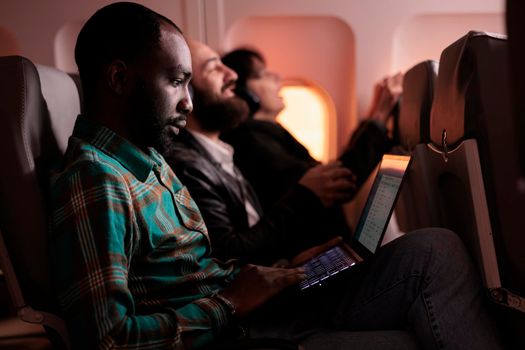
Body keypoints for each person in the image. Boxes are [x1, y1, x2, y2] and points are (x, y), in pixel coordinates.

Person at [50, 3, 502, 349]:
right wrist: (230, 303)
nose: (188, 102)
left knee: (433, 248)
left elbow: (194, 273)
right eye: (176, 82)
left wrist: (286, 270)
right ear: (118, 78)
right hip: (241, 332)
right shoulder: (96, 180)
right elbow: (107, 340)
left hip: (257, 311)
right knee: (424, 289)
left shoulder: (148, 158)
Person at [162, 39, 355, 265]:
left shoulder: (219, 154)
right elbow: (229, 255)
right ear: (187, 94)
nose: (232, 75)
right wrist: (304, 196)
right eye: (213, 68)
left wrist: (290, 266)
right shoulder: (188, 166)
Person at [221, 48, 402, 211]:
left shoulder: (267, 133)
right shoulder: (253, 144)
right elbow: (338, 182)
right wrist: (380, 115)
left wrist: (373, 116)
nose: (276, 76)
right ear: (243, 93)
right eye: (262, 74)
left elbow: (330, 170)